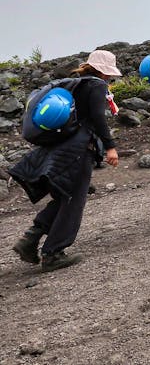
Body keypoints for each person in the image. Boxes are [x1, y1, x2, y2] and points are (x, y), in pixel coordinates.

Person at [10, 50, 122, 272]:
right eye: (109, 74)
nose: (110, 78)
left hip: (61, 149)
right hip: (79, 150)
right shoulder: (97, 86)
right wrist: (110, 147)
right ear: (103, 71)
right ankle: (53, 254)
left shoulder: (76, 84)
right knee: (73, 200)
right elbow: (99, 119)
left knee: (63, 195)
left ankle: (30, 239)